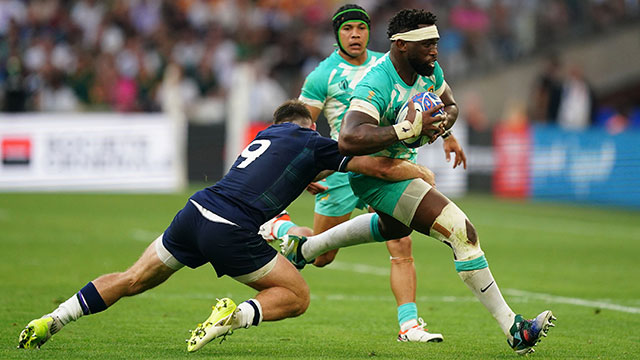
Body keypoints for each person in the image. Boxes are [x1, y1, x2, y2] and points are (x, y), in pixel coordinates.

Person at [17, 100, 440, 353]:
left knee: (132, 278)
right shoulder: (311, 141)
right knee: (296, 297)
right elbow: (373, 166)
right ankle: (232, 315)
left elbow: (268, 170)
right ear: (307, 126)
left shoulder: (266, 136)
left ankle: (53, 320)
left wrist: (302, 175)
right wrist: (413, 169)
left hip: (195, 212)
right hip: (231, 229)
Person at [279, 9, 556, 355]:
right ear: (401, 46)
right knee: (460, 231)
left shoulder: (428, 69)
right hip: (371, 172)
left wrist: (441, 125)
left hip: (398, 166)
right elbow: (349, 138)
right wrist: (405, 130)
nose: (435, 51)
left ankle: (305, 248)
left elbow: (449, 104)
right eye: (427, 44)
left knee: (393, 231)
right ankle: (515, 329)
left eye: (436, 43)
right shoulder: (375, 81)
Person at [258, 4, 448, 343]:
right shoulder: (323, 75)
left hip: (386, 162)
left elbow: (427, 101)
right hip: (342, 168)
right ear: (337, 36)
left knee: (401, 239)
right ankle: (280, 227)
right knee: (322, 257)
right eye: (348, 30)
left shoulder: (388, 63)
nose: (356, 34)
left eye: (361, 28)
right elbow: (301, 125)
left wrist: (448, 135)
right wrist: (303, 165)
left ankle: (409, 325)